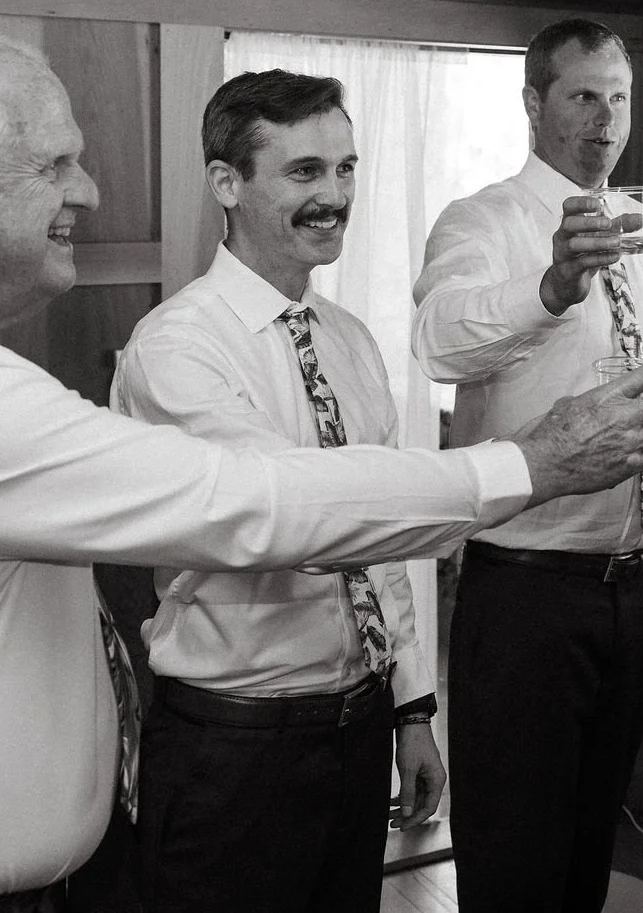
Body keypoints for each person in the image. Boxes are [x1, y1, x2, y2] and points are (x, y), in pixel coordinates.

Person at [0, 27, 643, 911]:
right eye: (51, 164)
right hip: (84, 813)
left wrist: (408, 707)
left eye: (348, 167)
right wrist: (529, 462)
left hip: (320, 732)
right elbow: (251, 504)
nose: (88, 192)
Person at [412, 18, 643, 913]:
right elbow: (438, 341)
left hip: (638, 584)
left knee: (591, 842)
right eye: (583, 97)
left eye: (620, 98)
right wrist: (552, 287)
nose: (605, 120)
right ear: (534, 103)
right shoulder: (482, 220)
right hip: (526, 589)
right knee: (513, 851)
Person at [110, 71, 438, 912]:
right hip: (233, 747)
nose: (335, 195)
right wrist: (497, 482)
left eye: (347, 167)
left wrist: (410, 709)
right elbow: (303, 512)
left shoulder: (355, 343)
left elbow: (385, 549)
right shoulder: (177, 347)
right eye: (304, 172)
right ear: (228, 182)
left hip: (358, 728)